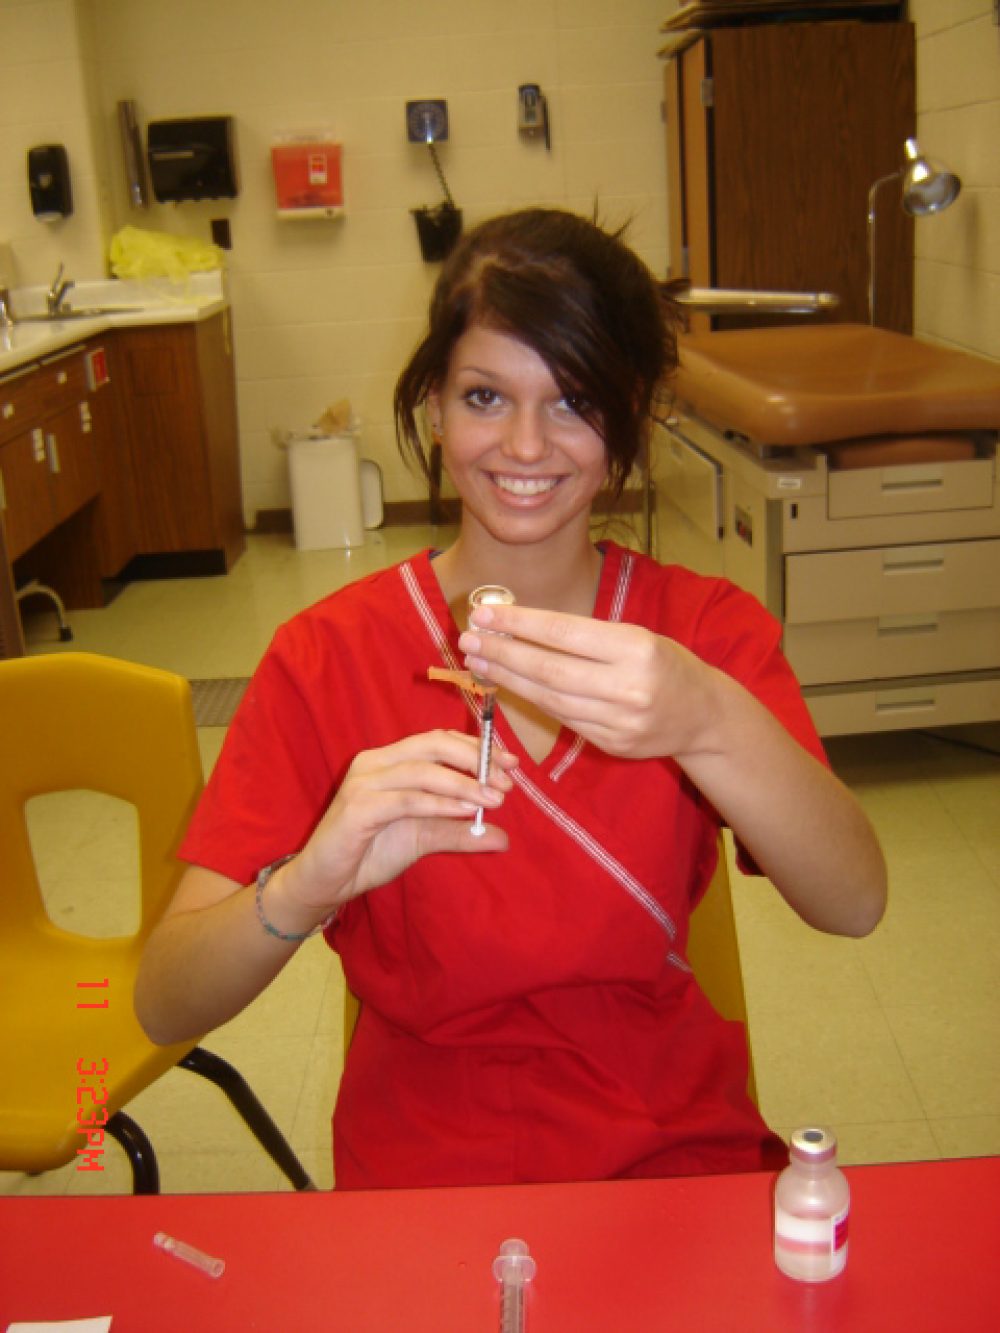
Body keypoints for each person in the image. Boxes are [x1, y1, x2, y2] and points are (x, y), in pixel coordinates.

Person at [135, 208, 887, 1189]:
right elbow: (164, 1002)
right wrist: (308, 882)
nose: (525, 445)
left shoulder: (697, 634)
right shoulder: (327, 657)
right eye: (486, 395)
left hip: (667, 1151)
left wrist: (707, 718)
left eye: (573, 400)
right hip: (427, 1171)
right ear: (435, 404)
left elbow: (854, 902)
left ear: (629, 413)